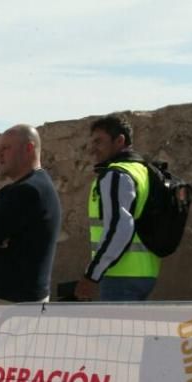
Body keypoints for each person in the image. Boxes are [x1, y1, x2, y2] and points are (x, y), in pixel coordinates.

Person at [0, 124, 62, 304]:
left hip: (12, 305)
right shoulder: (16, 190)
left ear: (29, 148)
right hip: (11, 302)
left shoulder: (28, 191)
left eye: (6, 148)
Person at [74, 114, 159, 301]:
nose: (92, 149)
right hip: (146, 272)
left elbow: (119, 228)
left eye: (99, 142)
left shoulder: (115, 175)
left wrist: (92, 275)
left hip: (120, 275)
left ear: (119, 141)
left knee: (114, 330)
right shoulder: (142, 170)